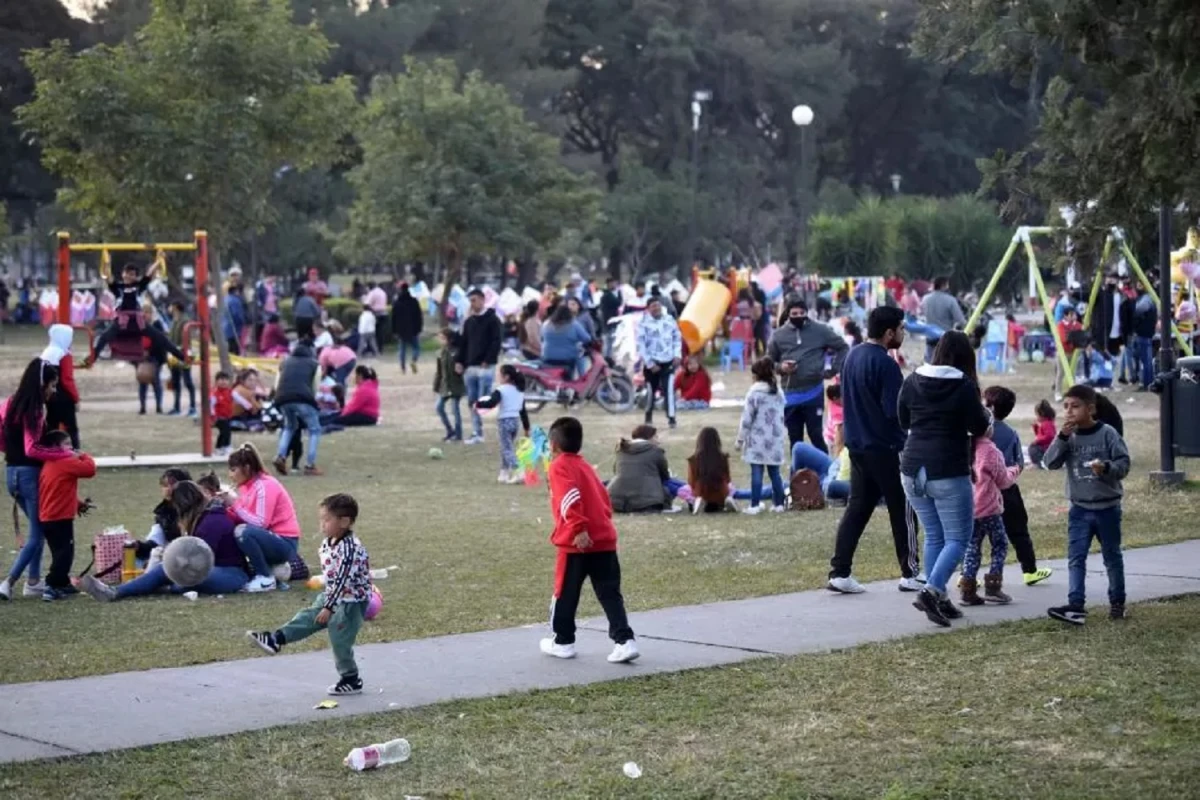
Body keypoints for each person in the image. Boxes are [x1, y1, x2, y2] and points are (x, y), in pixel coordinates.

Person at [898, 331, 991, 627]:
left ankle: (939, 597)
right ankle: (932, 591)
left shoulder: (912, 380)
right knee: (958, 538)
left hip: (912, 468)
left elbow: (903, 419)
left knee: (935, 535)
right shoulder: (964, 386)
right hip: (947, 468)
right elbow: (978, 425)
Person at [827, 307, 922, 594]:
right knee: (904, 508)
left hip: (857, 446)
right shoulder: (886, 364)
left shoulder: (852, 356)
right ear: (889, 332)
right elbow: (894, 411)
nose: (903, 334)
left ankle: (839, 571)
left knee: (858, 508)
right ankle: (910, 572)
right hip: (887, 446)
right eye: (902, 329)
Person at [249, 492, 370, 694]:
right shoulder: (329, 542)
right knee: (307, 618)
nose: (322, 524)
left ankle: (351, 679)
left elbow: (342, 579)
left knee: (340, 640)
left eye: (327, 519)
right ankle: (276, 639)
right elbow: (332, 575)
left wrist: (329, 607)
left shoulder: (350, 549)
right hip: (333, 595)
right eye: (321, 519)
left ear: (345, 521)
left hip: (351, 601)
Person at [540, 416, 639, 664]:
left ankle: (563, 641)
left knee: (565, 593)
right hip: (603, 539)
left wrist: (579, 529)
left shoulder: (559, 466)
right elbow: (604, 500)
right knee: (610, 593)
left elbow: (569, 497)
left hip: (576, 543)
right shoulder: (585, 466)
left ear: (553, 445)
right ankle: (624, 641)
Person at [1043, 385, 1131, 625]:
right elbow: (1049, 463)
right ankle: (1076, 606)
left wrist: (1107, 468)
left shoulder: (1108, 433)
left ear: (1090, 408)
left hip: (1107, 508)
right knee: (1076, 558)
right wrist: (1061, 438)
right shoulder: (1067, 436)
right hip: (1079, 509)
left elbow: (1124, 464)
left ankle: (1117, 603)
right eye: (1066, 407)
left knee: (1112, 556)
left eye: (1075, 406)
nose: (1069, 412)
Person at [81, 481, 250, 600]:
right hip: (221, 571)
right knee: (171, 573)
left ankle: (117, 592)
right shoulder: (206, 517)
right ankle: (121, 590)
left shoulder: (210, 522)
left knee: (173, 575)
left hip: (231, 574)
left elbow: (200, 559)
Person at [0, 361, 72, 600]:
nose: (53, 391)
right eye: (52, 385)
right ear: (41, 384)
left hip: (11, 474)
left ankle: (33, 581)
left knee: (37, 529)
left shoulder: (9, 403)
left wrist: (12, 453)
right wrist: (64, 454)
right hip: (29, 475)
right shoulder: (36, 409)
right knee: (36, 535)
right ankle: (8, 582)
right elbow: (32, 449)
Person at [981, 386, 1052, 586]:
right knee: (1019, 530)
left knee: (973, 537)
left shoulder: (976, 430)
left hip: (979, 490)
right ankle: (1029, 570)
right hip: (1006, 489)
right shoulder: (1010, 433)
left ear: (990, 406)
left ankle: (966, 577)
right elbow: (1018, 463)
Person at [768, 299, 848, 453]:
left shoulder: (820, 330)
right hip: (790, 392)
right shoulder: (778, 335)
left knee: (816, 435)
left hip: (813, 391)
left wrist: (833, 369)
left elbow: (842, 347)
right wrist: (782, 368)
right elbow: (769, 361)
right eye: (794, 313)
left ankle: (826, 472)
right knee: (795, 438)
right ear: (788, 314)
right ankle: (796, 473)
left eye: (801, 313)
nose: (798, 316)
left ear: (807, 313)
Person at [228, 443, 303, 591]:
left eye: (233, 470)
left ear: (247, 468)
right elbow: (245, 516)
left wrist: (234, 504)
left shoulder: (265, 485)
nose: (230, 475)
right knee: (240, 530)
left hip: (285, 542)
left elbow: (261, 523)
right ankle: (266, 575)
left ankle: (265, 578)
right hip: (270, 538)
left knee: (243, 532)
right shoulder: (246, 486)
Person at [958, 421, 1018, 606]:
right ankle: (993, 586)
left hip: (969, 508)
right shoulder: (990, 451)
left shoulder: (962, 447)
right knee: (999, 544)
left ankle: (967, 589)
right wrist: (1014, 470)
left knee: (972, 547)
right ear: (988, 428)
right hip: (989, 509)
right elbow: (1003, 480)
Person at [87, 261, 186, 365]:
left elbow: (149, 274)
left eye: (132, 275)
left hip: (138, 323)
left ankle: (182, 357)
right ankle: (92, 358)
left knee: (161, 338)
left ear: (135, 277)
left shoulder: (139, 286)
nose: (130, 276)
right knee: (104, 337)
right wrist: (106, 264)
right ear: (123, 274)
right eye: (127, 273)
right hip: (121, 323)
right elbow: (108, 277)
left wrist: (158, 261)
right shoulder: (118, 288)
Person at [36, 430, 95, 601]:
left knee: (59, 552)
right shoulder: (64, 461)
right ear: (56, 447)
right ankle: (51, 585)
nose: (71, 447)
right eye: (67, 444)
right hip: (59, 518)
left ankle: (62, 583)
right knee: (65, 553)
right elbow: (90, 470)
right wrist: (83, 455)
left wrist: (78, 504)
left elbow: (59, 491)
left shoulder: (50, 463)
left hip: (49, 517)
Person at [736, 357, 788, 515]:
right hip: (775, 439)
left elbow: (747, 419)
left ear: (756, 375)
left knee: (756, 473)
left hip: (758, 440)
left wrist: (740, 440)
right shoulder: (778, 392)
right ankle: (778, 504)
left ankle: (755, 504)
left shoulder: (754, 393)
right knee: (775, 473)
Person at [457, 289, 502, 445]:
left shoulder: (493, 320)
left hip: (485, 367)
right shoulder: (469, 322)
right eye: (471, 301)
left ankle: (503, 426)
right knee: (472, 400)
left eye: (475, 300)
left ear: (483, 300)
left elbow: (496, 341)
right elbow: (463, 344)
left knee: (485, 400)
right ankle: (477, 432)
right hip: (470, 367)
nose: (472, 304)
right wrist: (459, 361)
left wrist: (488, 359)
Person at [473, 364, 530, 484]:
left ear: (506, 377)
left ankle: (519, 470)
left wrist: (478, 405)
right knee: (507, 447)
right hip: (515, 422)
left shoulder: (501, 390)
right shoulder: (519, 391)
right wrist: (526, 427)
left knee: (506, 449)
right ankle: (503, 473)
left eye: (500, 374)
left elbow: (491, 403)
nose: (498, 376)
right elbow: (523, 411)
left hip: (505, 422)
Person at [272, 341, 322, 476]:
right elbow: (315, 386)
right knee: (314, 430)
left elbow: (277, 384)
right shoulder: (314, 364)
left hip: (282, 399)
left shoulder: (284, 362)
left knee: (289, 427)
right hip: (303, 398)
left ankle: (281, 456)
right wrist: (312, 402)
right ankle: (310, 465)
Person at [636, 296, 683, 428]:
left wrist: (677, 355)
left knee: (669, 390)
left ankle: (672, 418)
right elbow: (641, 345)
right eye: (653, 306)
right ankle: (648, 414)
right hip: (652, 364)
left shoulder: (669, 320)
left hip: (667, 361)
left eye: (658, 305)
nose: (656, 308)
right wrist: (650, 363)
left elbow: (677, 338)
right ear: (648, 309)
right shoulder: (643, 323)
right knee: (651, 391)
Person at [607, 424, 672, 513]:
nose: (658, 441)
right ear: (649, 437)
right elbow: (665, 476)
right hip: (647, 502)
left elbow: (616, 471)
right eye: (656, 437)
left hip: (616, 502)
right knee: (671, 485)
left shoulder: (621, 450)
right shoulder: (656, 451)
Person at [134, 468, 191, 565]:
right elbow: (156, 542)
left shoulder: (193, 509)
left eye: (173, 484)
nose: (168, 489)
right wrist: (138, 546)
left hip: (190, 557)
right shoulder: (163, 513)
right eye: (165, 485)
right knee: (137, 560)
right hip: (171, 557)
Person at [42, 323, 81, 448]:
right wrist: (75, 398)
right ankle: (75, 454)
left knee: (51, 426)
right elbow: (67, 379)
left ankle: (48, 451)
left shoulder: (46, 352)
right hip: (64, 397)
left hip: (50, 396)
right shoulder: (64, 354)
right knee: (71, 428)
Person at [687, 427, 738, 513]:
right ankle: (727, 500)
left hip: (701, 491)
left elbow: (692, 481)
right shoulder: (723, 457)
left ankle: (697, 501)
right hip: (721, 492)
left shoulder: (693, 459)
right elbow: (728, 479)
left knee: (684, 490)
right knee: (731, 488)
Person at [918, 276, 966, 362]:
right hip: (946, 337)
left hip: (930, 337)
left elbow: (921, 314)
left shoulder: (925, 299)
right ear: (944, 285)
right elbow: (960, 320)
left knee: (930, 364)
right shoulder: (951, 300)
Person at [541, 303, 592, 381]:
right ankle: (583, 380)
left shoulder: (546, 324)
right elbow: (587, 338)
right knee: (579, 355)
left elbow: (542, 337)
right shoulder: (573, 324)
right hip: (567, 359)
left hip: (547, 357)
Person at [163, 302, 197, 417]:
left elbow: (187, 337)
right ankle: (176, 407)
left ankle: (192, 407)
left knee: (187, 381)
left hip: (183, 353)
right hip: (174, 354)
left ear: (176, 307)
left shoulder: (185, 320)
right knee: (175, 381)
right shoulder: (174, 320)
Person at [1090, 273, 1132, 360]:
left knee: (1116, 361)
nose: (1111, 281)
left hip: (1118, 335)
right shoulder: (1102, 295)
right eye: (1109, 278)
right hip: (1104, 335)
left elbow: (1128, 315)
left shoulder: (1123, 297)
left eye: (1113, 279)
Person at [433, 328, 465, 441]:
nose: (440, 340)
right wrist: (436, 386)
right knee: (439, 408)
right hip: (445, 386)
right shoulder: (441, 353)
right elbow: (439, 371)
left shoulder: (457, 351)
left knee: (455, 410)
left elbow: (461, 367)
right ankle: (450, 431)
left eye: (442, 338)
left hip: (456, 385)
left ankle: (458, 434)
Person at [1130, 284, 1158, 391]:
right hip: (1148, 333)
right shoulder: (1151, 300)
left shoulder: (1145, 301)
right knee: (1147, 360)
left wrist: (1135, 326)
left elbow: (1137, 313)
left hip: (1143, 334)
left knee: (1145, 361)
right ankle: (1148, 382)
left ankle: (1147, 383)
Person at [392, 282, 423, 373]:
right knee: (416, 348)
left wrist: (394, 331)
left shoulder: (397, 302)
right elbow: (419, 316)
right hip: (413, 329)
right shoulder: (414, 301)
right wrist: (419, 327)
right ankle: (413, 360)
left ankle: (402, 367)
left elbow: (394, 318)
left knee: (402, 349)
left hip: (401, 330)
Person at [1054, 306, 1083, 400]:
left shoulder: (1077, 325)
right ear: (1065, 316)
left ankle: (1072, 392)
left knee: (1073, 373)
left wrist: (1074, 337)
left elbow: (1081, 337)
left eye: (1074, 314)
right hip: (1063, 352)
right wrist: (1074, 336)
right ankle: (1058, 392)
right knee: (1061, 373)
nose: (1074, 316)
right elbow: (1064, 339)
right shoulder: (1060, 325)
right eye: (1071, 314)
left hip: (1074, 352)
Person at [1029, 399, 1057, 467]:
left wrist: (1037, 441)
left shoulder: (1047, 424)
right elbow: (1040, 435)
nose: (1036, 417)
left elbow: (1049, 436)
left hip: (1046, 447)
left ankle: (1039, 463)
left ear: (1042, 414)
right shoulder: (1045, 424)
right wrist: (1036, 428)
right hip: (1044, 446)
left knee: (1033, 449)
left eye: (1037, 415)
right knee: (1032, 448)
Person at [212, 370, 235, 455]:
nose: (223, 382)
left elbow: (238, 398)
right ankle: (225, 446)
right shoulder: (215, 393)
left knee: (224, 432)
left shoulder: (230, 392)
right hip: (219, 417)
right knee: (226, 431)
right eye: (221, 380)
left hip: (227, 416)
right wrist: (212, 414)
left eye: (225, 380)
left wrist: (248, 405)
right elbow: (211, 404)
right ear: (216, 381)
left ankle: (220, 447)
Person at [222, 283, 247, 356]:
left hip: (225, 327)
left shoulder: (225, 299)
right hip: (234, 328)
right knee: (235, 349)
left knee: (230, 347)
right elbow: (237, 314)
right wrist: (243, 322)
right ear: (235, 291)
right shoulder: (235, 301)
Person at [822, 383, 843, 456]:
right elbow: (838, 432)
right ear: (835, 398)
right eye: (842, 397)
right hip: (832, 439)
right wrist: (838, 451)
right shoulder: (837, 413)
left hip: (828, 435)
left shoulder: (832, 403)